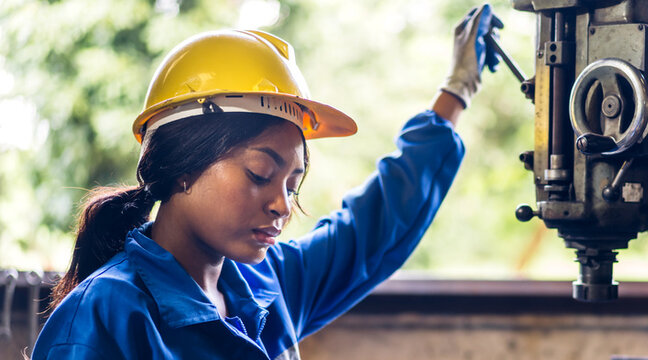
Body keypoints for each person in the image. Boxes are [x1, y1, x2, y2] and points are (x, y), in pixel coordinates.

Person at [30, 4, 501, 359]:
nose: (283, 205)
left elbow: (374, 225)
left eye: (294, 184)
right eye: (260, 174)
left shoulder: (267, 284)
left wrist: (456, 91)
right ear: (183, 164)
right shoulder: (105, 316)